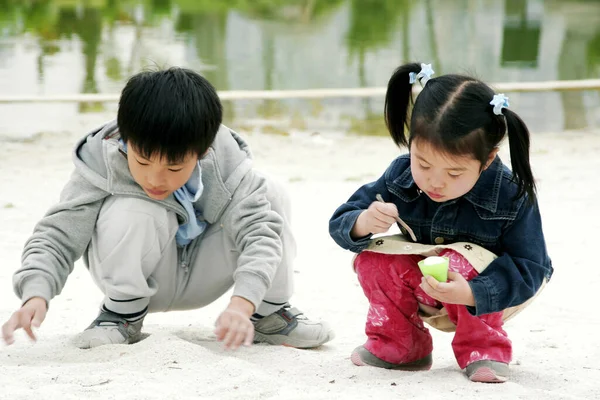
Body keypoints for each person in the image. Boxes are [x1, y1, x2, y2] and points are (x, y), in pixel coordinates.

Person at [2, 67, 333, 351]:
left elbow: (259, 233)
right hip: (142, 274)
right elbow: (59, 233)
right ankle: (121, 317)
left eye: (174, 168)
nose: (154, 178)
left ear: (202, 151)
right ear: (126, 141)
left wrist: (242, 304)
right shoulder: (102, 159)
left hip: (207, 275)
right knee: (137, 206)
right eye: (142, 161)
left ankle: (269, 315)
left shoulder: (226, 161)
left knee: (270, 191)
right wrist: (36, 293)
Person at [329, 62, 552, 383]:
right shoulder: (401, 174)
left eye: (454, 173)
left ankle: (483, 348)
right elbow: (341, 220)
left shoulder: (510, 194)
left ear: (486, 160)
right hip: (426, 286)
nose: (435, 182)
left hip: (490, 292)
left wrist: (474, 292)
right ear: (411, 143)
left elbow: (532, 267)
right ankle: (401, 345)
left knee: (456, 260)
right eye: (423, 163)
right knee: (373, 258)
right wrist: (363, 221)